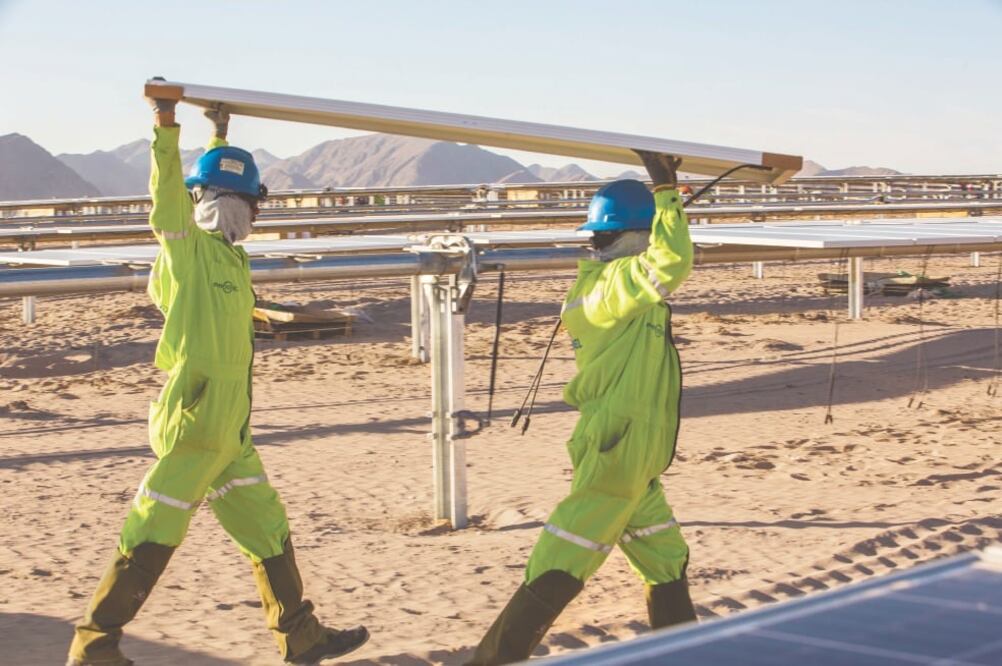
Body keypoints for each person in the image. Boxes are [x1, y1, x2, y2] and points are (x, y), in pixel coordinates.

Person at [67, 91, 369, 665]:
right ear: (228, 204)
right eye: (250, 204)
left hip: (230, 429)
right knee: (153, 526)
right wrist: (165, 123)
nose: (254, 215)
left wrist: (220, 134)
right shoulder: (187, 252)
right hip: (195, 420)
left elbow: (215, 179)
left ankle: (300, 636)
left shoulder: (233, 258)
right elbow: (170, 201)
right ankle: (93, 648)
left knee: (267, 525)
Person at [466, 152, 697, 664]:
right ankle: (492, 659)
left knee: (665, 556)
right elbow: (671, 262)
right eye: (650, 232)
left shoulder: (620, 287)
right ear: (636, 235)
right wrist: (667, 193)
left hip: (635, 451)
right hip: (618, 447)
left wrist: (670, 209)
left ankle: (684, 650)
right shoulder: (612, 287)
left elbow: (666, 259)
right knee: (564, 557)